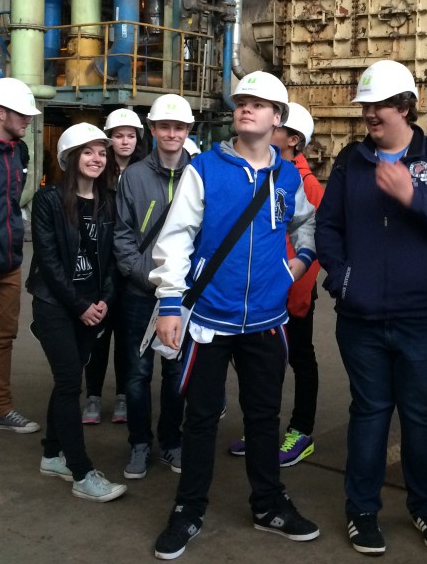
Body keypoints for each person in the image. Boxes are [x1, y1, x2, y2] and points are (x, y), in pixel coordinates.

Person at [150, 71, 319, 560]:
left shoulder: (288, 177)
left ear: (277, 118)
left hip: (267, 321)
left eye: (259, 103)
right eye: (242, 100)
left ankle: (268, 504)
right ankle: (188, 510)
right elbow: (177, 237)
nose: (246, 107)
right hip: (209, 320)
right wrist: (169, 303)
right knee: (201, 419)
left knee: (264, 418)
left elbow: (307, 223)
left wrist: (298, 265)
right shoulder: (205, 169)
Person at [315, 59, 427, 556]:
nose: (369, 114)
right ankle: (362, 511)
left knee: (422, 415)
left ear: (405, 106)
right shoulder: (350, 161)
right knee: (369, 413)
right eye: (365, 105)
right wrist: (342, 279)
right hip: (361, 318)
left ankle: (426, 507)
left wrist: (412, 197)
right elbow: (328, 226)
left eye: (379, 105)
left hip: (424, 318)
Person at [27, 123, 126, 502]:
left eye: (101, 152)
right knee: (70, 381)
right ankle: (82, 473)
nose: (96, 158)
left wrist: (104, 300)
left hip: (92, 305)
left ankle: (52, 454)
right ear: (70, 157)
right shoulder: (49, 200)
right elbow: (49, 261)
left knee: (68, 381)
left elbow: (112, 258)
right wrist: (80, 305)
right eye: (88, 151)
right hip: (55, 305)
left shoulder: (108, 201)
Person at [229, 101, 323, 466]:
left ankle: (301, 430)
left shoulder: (306, 184)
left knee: (300, 358)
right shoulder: (260, 171)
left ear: (293, 139)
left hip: (291, 291)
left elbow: (311, 245)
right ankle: (261, 429)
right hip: (261, 290)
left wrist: (294, 294)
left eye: (278, 128)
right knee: (263, 364)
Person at [113, 94, 194, 480]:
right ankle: (140, 444)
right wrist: (147, 278)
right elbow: (123, 236)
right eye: (165, 126)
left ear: (188, 130)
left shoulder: (200, 175)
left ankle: (172, 441)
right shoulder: (133, 177)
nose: (172, 133)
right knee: (137, 374)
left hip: (181, 296)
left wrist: (180, 286)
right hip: (141, 293)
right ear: (153, 129)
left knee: (176, 374)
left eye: (179, 127)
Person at [0, 76, 41, 433]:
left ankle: (0, 409)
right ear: (0, 112)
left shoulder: (19, 152)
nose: (28, 119)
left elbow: (11, 203)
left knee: (3, 337)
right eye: (21, 113)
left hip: (9, 261)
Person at [82, 108, 144, 425]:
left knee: (126, 335)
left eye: (130, 135)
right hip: (100, 263)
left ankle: (122, 396)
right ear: (109, 140)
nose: (125, 141)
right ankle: (93, 396)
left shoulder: (145, 172)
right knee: (98, 333)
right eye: (118, 136)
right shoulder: (98, 171)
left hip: (130, 265)